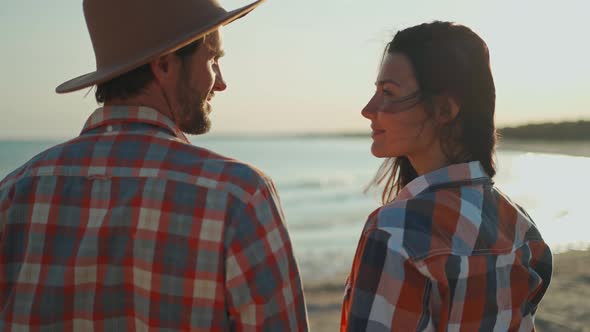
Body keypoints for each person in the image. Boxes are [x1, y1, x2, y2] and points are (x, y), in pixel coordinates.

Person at [0, 0, 308, 330]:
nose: (220, 82)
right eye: (212, 59)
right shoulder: (239, 196)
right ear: (163, 65)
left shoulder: (14, 193)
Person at [340, 21, 552, 331]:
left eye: (388, 92)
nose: (368, 109)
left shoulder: (394, 233)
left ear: (445, 110)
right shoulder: (520, 227)